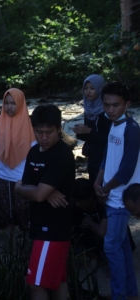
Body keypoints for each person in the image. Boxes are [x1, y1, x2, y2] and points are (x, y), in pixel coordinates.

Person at [14, 104, 75, 300]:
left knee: (35, 284)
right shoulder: (33, 152)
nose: (44, 137)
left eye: (49, 132)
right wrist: (43, 191)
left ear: (59, 129)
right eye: (39, 132)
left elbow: (33, 191)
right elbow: (31, 187)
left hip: (54, 229)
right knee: (58, 282)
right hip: (40, 225)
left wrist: (23, 189)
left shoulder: (62, 154)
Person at [94, 82, 139, 300]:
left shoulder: (132, 129)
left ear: (127, 104)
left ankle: (119, 295)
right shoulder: (112, 124)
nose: (110, 109)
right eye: (107, 105)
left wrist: (105, 188)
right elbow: (106, 156)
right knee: (120, 246)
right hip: (110, 194)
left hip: (122, 199)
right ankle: (129, 292)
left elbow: (126, 171)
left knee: (111, 247)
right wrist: (97, 181)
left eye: (116, 105)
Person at [0, 88, 36, 250]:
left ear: (20, 104)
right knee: (6, 215)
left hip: (22, 177)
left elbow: (34, 151)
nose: (9, 107)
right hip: (1, 175)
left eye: (13, 103)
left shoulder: (29, 125)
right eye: (6, 103)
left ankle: (28, 252)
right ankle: (10, 252)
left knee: (25, 214)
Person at [72, 74, 111, 183]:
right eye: (86, 88)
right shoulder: (88, 109)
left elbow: (107, 139)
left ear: (100, 89)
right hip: (92, 155)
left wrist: (88, 131)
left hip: (105, 157)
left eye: (92, 88)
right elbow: (89, 135)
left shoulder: (108, 111)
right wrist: (80, 131)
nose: (88, 92)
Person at [71, 178, 107, 257]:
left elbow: (102, 232)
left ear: (90, 198)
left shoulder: (103, 205)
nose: (77, 204)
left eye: (80, 201)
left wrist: (89, 221)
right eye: (76, 201)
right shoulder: (76, 207)